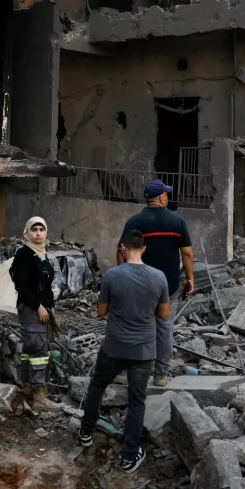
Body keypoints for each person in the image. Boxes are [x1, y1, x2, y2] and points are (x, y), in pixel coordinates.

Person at [79, 229, 170, 473]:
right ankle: (129, 456)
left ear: (122, 248)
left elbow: (100, 311)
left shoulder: (112, 276)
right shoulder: (159, 277)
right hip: (143, 351)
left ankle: (86, 432)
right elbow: (163, 315)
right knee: (137, 402)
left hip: (114, 346)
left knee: (97, 385)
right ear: (144, 249)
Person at [118, 180, 194, 387]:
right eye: (166, 194)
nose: (167, 197)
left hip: (139, 287)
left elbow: (121, 251)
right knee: (164, 329)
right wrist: (190, 278)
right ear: (161, 197)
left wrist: (123, 277)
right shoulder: (177, 222)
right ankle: (160, 375)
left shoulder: (134, 222)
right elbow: (186, 253)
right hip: (167, 287)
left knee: (135, 327)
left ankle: (131, 373)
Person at [11, 216, 61, 412]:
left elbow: (45, 287)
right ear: (27, 232)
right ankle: (39, 396)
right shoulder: (24, 254)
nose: (38, 233)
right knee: (39, 348)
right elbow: (21, 286)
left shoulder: (42, 254)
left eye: (41, 229)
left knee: (32, 347)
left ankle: (27, 386)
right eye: (34, 230)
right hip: (31, 308)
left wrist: (50, 308)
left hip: (42, 308)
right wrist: (39, 306)